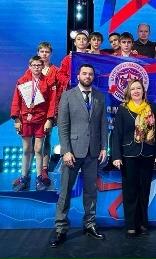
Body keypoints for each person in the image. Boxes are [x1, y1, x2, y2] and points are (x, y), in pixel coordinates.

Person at [50, 64, 109, 247]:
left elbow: (103, 124)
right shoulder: (67, 96)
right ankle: (60, 228)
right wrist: (66, 151)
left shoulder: (99, 96)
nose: (88, 76)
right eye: (84, 73)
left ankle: (89, 224)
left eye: (90, 74)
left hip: (93, 152)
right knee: (66, 191)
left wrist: (104, 147)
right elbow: (63, 126)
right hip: (73, 153)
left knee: (91, 191)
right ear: (78, 76)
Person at [112, 80, 156, 238]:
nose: (136, 91)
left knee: (144, 190)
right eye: (133, 89)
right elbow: (117, 134)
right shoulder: (123, 109)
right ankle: (131, 225)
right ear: (129, 92)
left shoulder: (151, 108)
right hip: (128, 155)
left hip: (148, 154)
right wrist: (116, 156)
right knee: (130, 191)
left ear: (143, 90)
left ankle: (142, 223)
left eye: (138, 88)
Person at [12, 42, 60, 189]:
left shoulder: (51, 78)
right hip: (26, 118)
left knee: (40, 148)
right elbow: (16, 100)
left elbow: (52, 101)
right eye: (34, 65)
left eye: (39, 65)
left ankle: (41, 175)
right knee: (27, 149)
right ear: (30, 66)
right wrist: (16, 118)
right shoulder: (23, 80)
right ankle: (24, 176)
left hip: (42, 118)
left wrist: (50, 118)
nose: (37, 67)